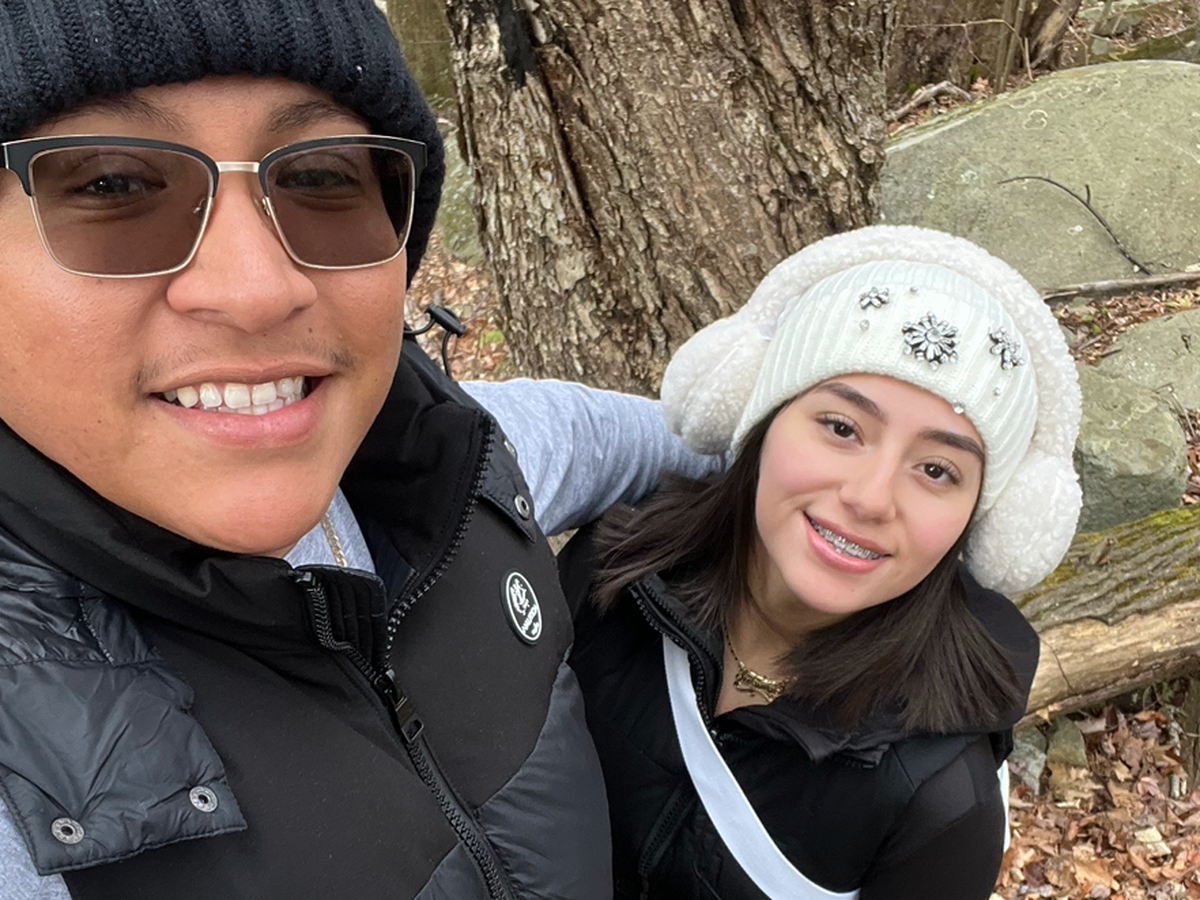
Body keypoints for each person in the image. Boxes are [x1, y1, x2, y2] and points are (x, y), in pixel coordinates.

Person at [0, 2, 719, 898]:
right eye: (112, 185)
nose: (258, 290)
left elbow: (665, 439)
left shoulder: (461, 469)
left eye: (319, 176)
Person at [558, 225, 1083, 899]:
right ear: (761, 417)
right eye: (842, 428)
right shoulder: (614, 568)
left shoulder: (942, 801)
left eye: (936, 469)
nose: (870, 498)